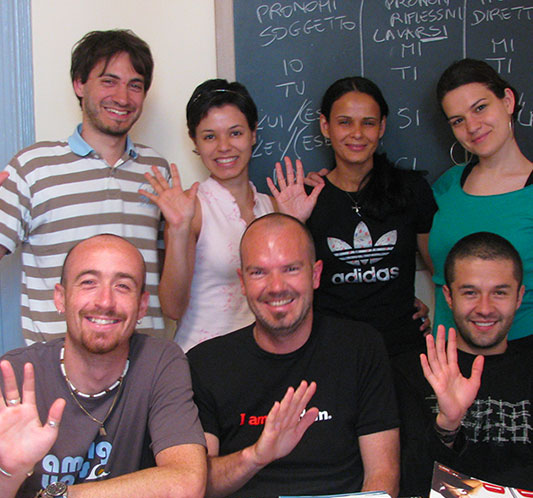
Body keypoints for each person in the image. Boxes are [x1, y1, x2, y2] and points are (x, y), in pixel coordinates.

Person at [0, 234, 206, 498]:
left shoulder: (161, 362)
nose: (105, 302)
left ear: (142, 306)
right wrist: (8, 472)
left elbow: (187, 482)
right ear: (60, 297)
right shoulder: (16, 376)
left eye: (122, 286)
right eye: (89, 283)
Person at [187, 213, 400, 498]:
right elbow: (198, 487)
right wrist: (256, 455)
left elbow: (383, 476)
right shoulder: (205, 363)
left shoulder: (360, 347)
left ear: (315, 274)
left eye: (290, 269)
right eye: (259, 272)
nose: (276, 287)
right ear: (243, 282)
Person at [0, 30, 169, 344]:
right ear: (79, 83)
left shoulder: (156, 169)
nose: (122, 97)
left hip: (144, 368)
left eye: (135, 85)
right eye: (109, 81)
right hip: (56, 368)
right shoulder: (32, 167)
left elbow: (168, 280)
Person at [270, 77, 436, 356]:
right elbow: (284, 281)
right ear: (326, 126)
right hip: (330, 350)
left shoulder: (412, 190)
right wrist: (293, 221)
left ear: (382, 126)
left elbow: (441, 270)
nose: (357, 133)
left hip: (402, 350)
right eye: (345, 122)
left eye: (368, 123)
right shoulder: (305, 197)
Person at [142, 79, 296, 352]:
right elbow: (172, 309)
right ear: (196, 142)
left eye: (235, 133)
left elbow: (294, 289)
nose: (224, 147)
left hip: (263, 357)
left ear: (253, 133)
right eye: (210, 136)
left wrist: (298, 223)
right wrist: (178, 229)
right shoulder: (192, 209)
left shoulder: (272, 206)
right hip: (203, 359)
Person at [394, 232, 533, 497]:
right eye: (470, 293)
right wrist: (447, 424)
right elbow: (412, 488)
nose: (484, 308)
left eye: (499, 293)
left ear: (519, 297)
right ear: (448, 296)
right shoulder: (412, 370)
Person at [429, 58, 533, 344]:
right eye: (458, 121)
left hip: (520, 356)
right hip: (448, 357)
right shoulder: (447, 186)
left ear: (508, 101)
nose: (472, 126)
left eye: (480, 108)